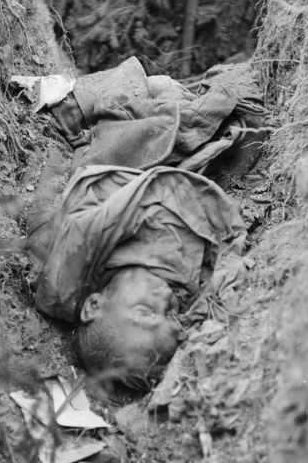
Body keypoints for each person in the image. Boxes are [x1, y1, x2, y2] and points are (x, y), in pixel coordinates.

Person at [22, 57, 267, 390]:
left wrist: (67, 140)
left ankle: (168, 97)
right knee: (248, 133)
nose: (165, 304)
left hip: (128, 153)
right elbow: (224, 269)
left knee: (160, 106)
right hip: (190, 189)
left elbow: (53, 190)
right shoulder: (184, 283)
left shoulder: (68, 253)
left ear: (94, 304)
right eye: (170, 319)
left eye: (144, 312)